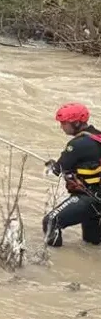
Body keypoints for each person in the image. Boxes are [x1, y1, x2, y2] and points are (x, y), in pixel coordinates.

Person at [42, 103, 101, 247]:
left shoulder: (77, 145)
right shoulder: (97, 136)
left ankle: (51, 262)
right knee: (92, 244)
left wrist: (50, 165)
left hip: (89, 199)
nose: (61, 127)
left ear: (76, 123)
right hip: (97, 198)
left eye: (64, 123)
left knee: (51, 221)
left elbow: (57, 170)